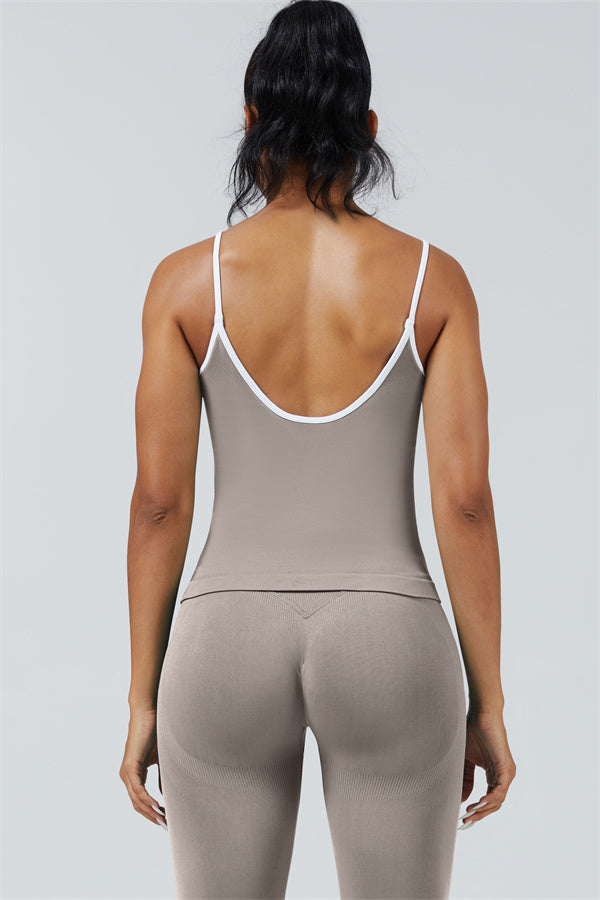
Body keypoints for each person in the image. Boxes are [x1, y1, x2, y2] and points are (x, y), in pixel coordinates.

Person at [119, 1, 516, 897]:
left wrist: (142, 696)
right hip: (392, 638)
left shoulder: (184, 285)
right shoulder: (433, 282)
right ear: (367, 129)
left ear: (252, 121)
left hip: (223, 640)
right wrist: (488, 700)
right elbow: (465, 501)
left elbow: (158, 503)